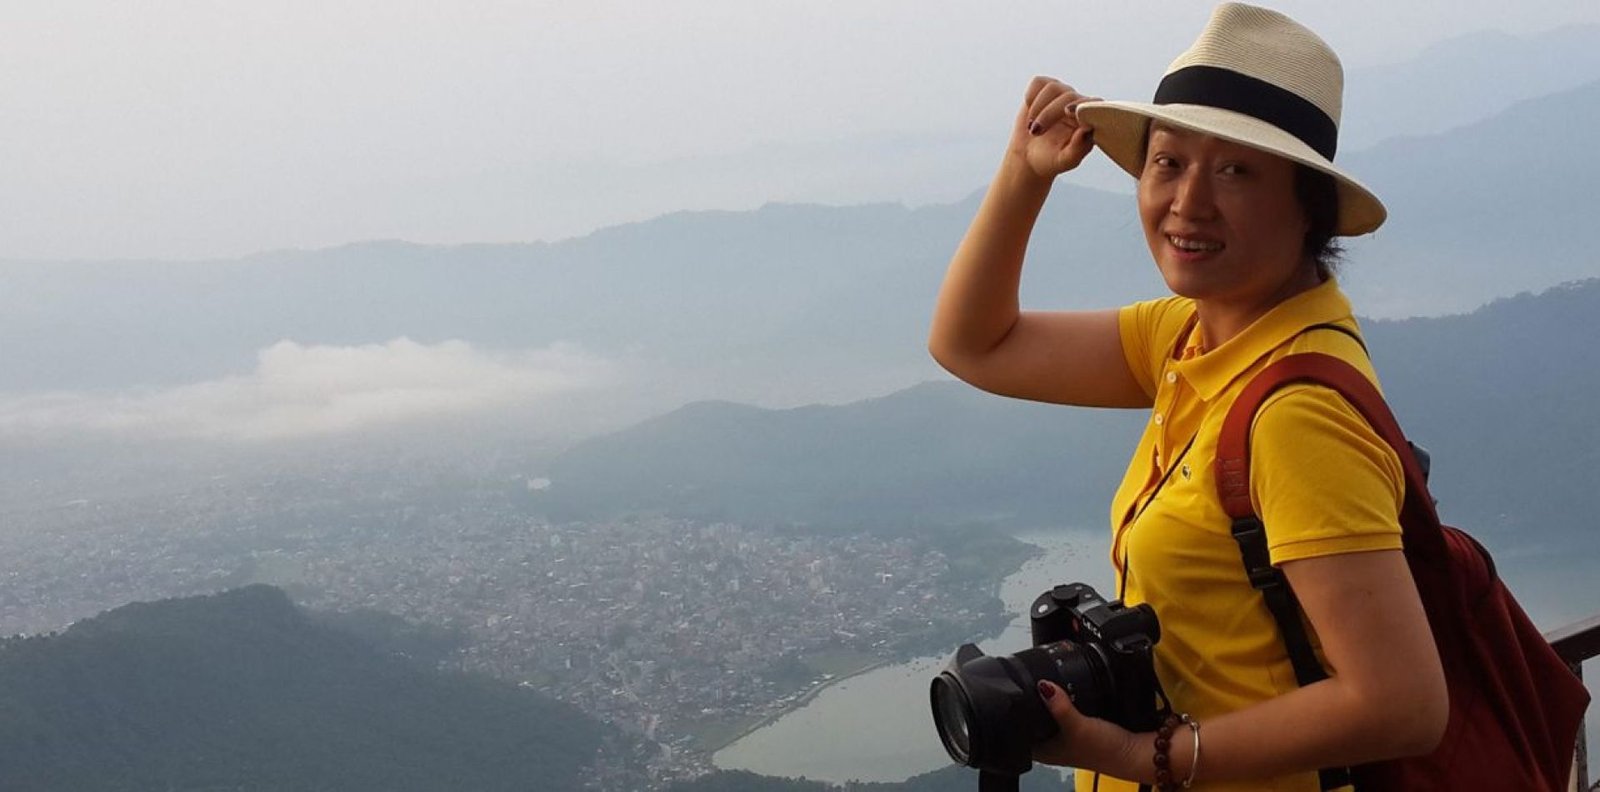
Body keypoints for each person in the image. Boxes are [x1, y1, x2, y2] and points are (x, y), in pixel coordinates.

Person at [927, 4, 1448, 791]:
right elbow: (975, 345)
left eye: (1236, 171)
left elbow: (1402, 704)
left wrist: (1141, 758)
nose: (1189, 202)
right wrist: (1024, 173)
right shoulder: (1192, 338)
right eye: (1168, 163)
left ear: (1309, 207)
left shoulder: (1295, 414)